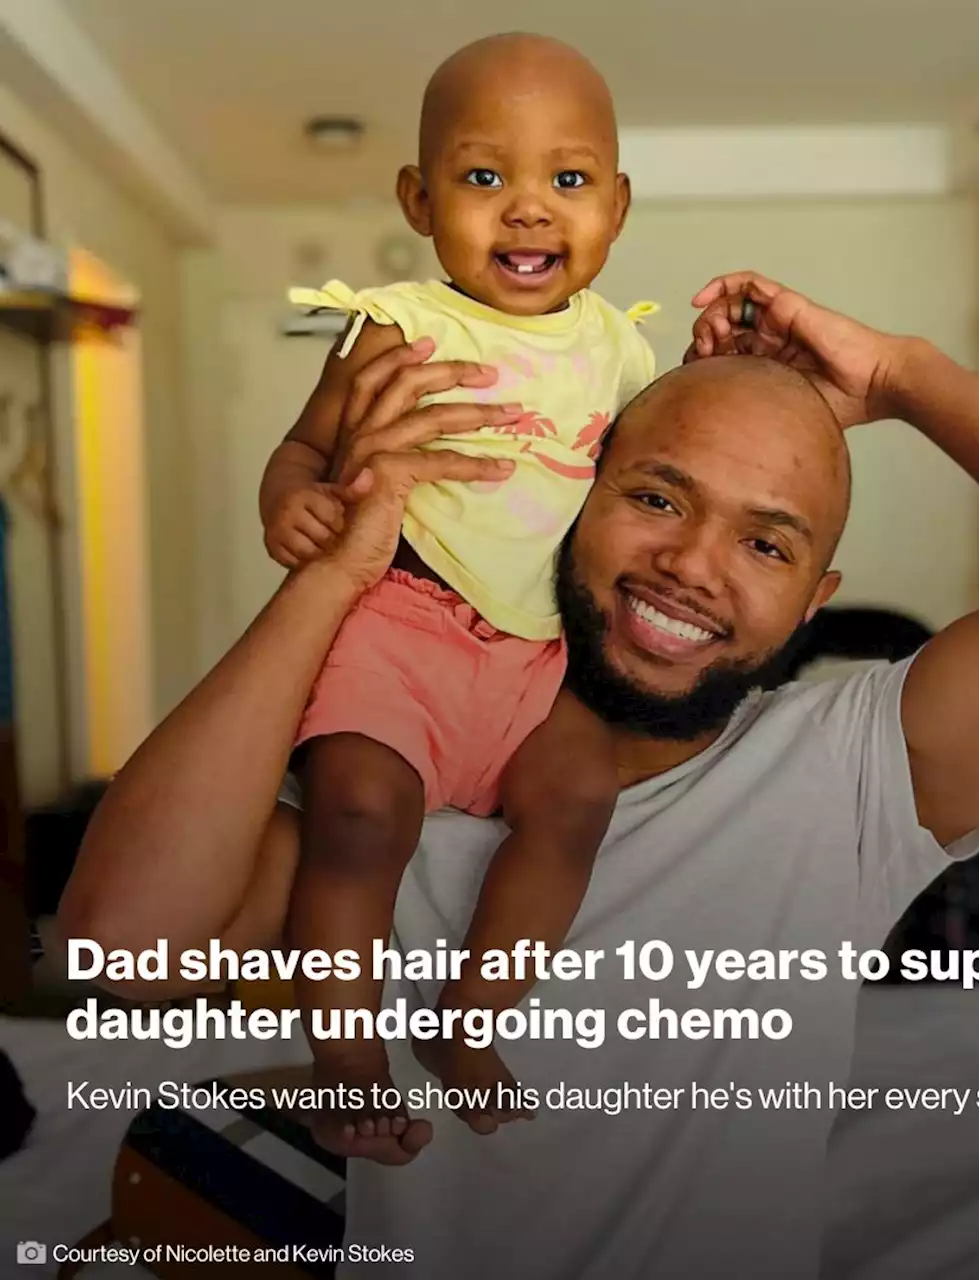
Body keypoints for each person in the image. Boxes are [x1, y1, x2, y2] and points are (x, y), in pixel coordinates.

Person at [59, 273, 979, 1274]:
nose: (689, 566)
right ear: (571, 502)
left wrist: (899, 374)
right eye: (655, 497)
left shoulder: (849, 773)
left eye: (765, 541)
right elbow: (114, 949)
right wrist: (332, 576)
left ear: (813, 598)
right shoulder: (399, 782)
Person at [255, 32, 655, 1149]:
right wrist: (287, 498)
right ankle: (346, 1060)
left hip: (537, 650)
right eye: (484, 178)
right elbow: (300, 445)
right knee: (355, 816)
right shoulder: (400, 325)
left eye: (566, 181)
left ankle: (468, 1020)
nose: (527, 210)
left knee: (578, 799)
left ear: (616, 206)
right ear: (420, 200)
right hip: (398, 619)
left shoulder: (621, 354)